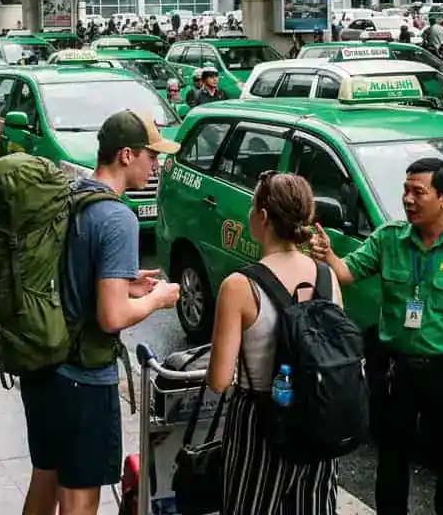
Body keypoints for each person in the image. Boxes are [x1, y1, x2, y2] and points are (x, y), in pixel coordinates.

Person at [308, 158, 443, 515]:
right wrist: (329, 256)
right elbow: (347, 273)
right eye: (405, 190)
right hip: (396, 370)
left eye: (418, 192)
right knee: (392, 461)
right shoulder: (388, 239)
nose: (408, 199)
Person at [21, 111, 181, 515]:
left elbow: (68, 272)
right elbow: (111, 317)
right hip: (81, 380)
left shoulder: (72, 194)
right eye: (152, 156)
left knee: (45, 478)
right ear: (127, 155)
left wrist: (126, 282)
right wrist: (157, 299)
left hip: (42, 368)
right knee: (79, 498)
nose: (156, 165)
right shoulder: (117, 217)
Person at [206, 171, 341, 514]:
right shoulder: (327, 277)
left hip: (261, 422)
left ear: (262, 217)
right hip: (317, 418)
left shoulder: (239, 286)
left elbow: (219, 380)